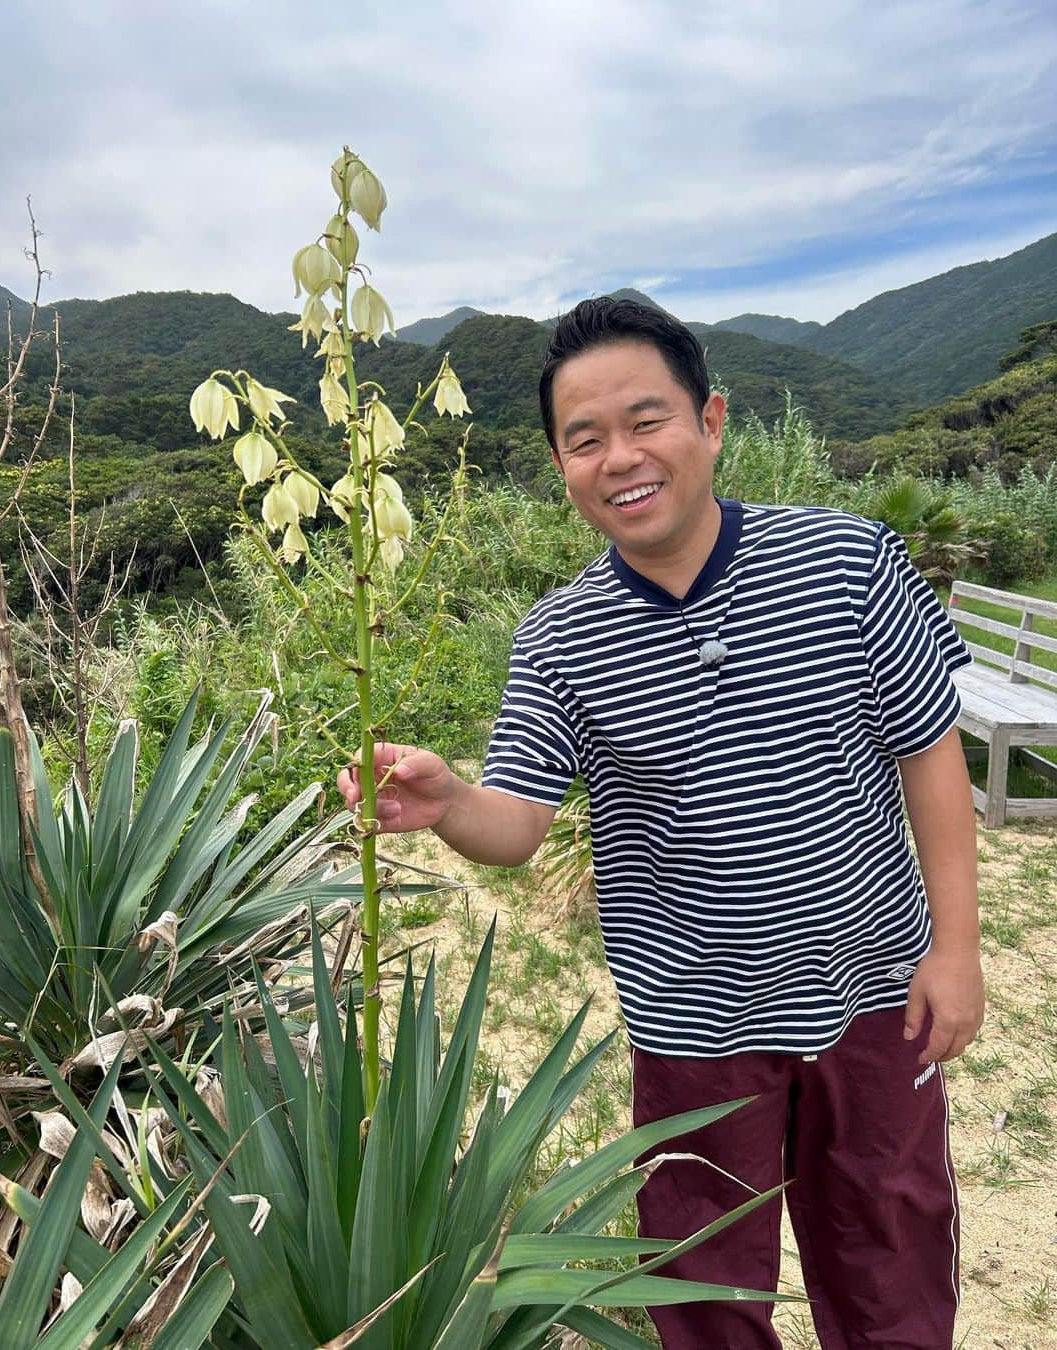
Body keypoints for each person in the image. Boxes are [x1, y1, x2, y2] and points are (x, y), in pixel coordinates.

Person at [338, 297, 985, 1349]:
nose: (621, 458)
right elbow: (520, 823)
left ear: (712, 421)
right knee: (705, 1286)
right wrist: (451, 803)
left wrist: (955, 952)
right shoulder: (557, 639)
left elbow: (929, 753)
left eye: (648, 421)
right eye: (584, 439)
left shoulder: (849, 564)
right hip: (693, 1022)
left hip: (872, 994)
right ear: (559, 464)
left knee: (890, 1257)